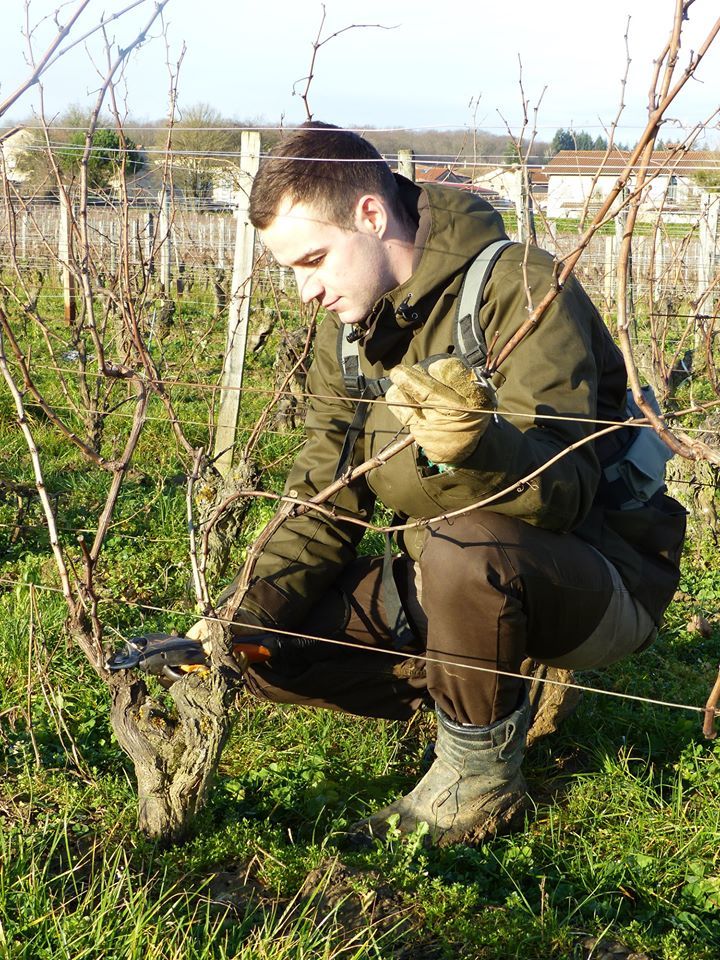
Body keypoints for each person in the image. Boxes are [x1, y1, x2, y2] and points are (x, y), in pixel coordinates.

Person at [189, 122, 686, 846]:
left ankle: (477, 780)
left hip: (601, 574)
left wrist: (478, 447)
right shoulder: (348, 333)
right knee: (271, 651)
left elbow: (568, 491)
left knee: (466, 546)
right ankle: (484, 691)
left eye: (315, 261)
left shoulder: (519, 288)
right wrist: (243, 616)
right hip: (449, 578)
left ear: (370, 214)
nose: (306, 291)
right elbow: (323, 495)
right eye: (291, 270)